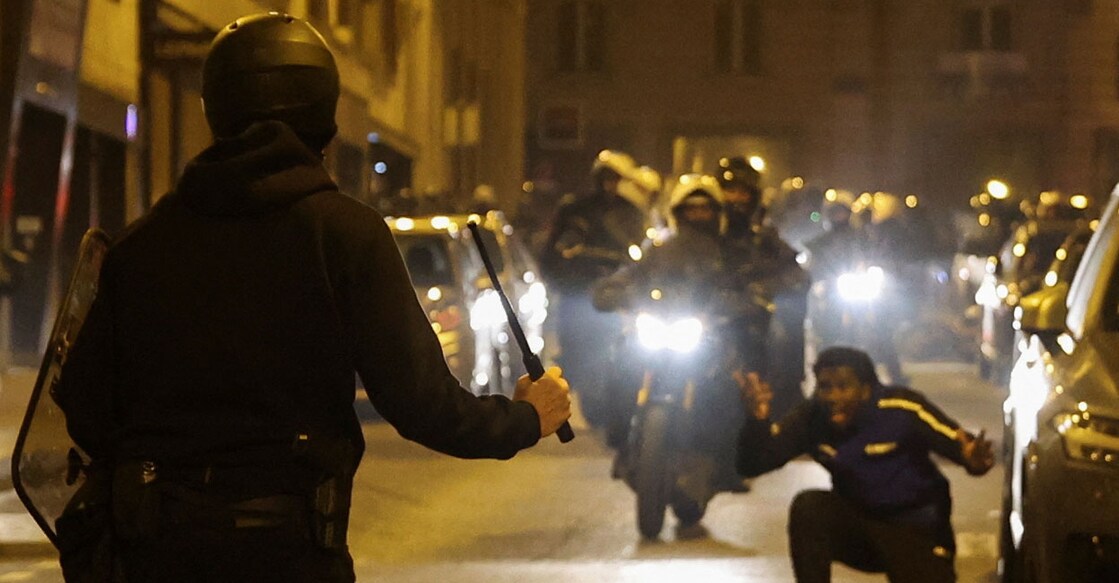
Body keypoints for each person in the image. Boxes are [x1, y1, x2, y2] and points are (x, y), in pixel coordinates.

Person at [51, 13, 571, 583]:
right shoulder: (345, 234)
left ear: (215, 108)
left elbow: (84, 403)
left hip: (153, 550)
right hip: (287, 552)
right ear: (323, 115)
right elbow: (423, 405)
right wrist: (525, 418)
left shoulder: (141, 246)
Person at [735, 346, 994, 583]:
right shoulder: (812, 417)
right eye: (825, 387)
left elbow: (960, 445)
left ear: (866, 389)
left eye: (843, 386)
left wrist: (973, 459)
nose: (833, 396)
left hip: (915, 531)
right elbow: (754, 463)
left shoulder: (902, 408)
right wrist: (756, 421)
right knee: (809, 508)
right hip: (860, 530)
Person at [594, 174, 761, 497]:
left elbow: (749, 284)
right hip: (662, 330)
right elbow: (629, 276)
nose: (698, 217)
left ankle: (728, 463)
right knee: (619, 360)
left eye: (705, 210)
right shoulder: (658, 250)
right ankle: (621, 442)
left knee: (733, 381)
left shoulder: (731, 252)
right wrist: (613, 290)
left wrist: (751, 298)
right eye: (690, 210)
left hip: (709, 333)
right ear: (677, 212)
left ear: (717, 212)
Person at [539, 149, 648, 427]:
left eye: (615, 178)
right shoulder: (576, 209)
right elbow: (555, 250)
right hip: (579, 291)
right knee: (568, 348)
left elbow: (644, 253)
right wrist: (567, 256)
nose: (609, 184)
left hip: (615, 292)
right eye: (605, 178)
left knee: (638, 345)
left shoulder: (632, 212)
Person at [717, 155, 810, 419]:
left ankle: (783, 403)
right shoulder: (699, 235)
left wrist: (767, 289)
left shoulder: (764, 237)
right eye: (729, 191)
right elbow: (662, 265)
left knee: (782, 336)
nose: (735, 199)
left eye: (741, 192)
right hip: (705, 315)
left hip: (751, 316)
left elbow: (796, 273)